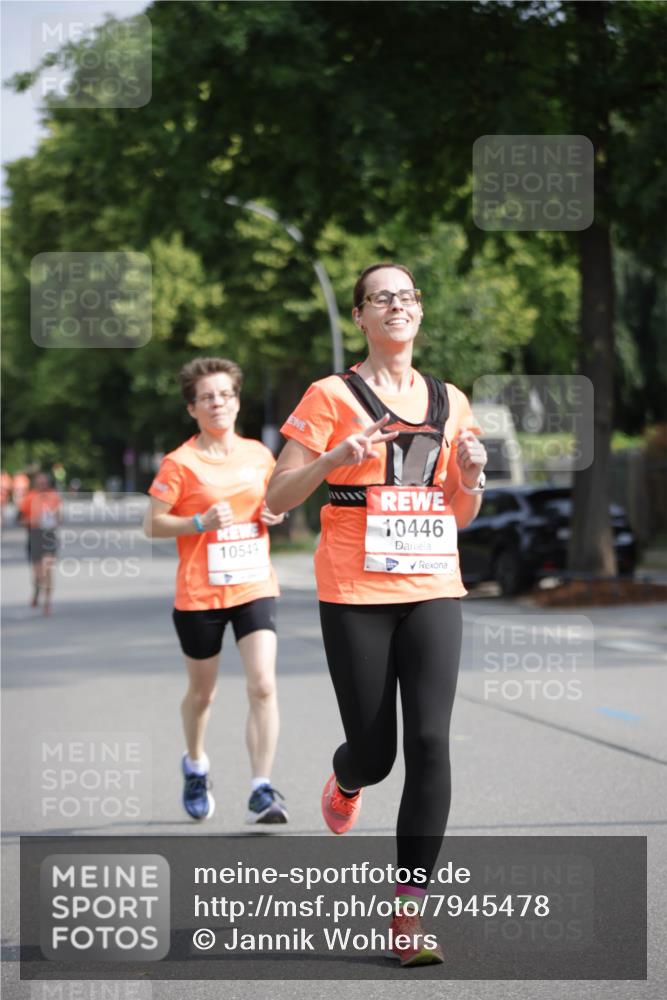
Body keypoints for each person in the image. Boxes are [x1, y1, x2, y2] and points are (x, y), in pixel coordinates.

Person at [266, 263, 487, 967]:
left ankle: (407, 916)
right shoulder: (330, 395)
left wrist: (473, 476)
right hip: (354, 590)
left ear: (418, 313)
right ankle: (348, 776)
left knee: (429, 743)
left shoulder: (450, 400)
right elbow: (278, 494)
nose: (397, 305)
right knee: (377, 752)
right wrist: (335, 454)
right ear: (359, 316)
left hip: (430, 583)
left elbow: (457, 514)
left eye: (407, 295)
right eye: (381, 297)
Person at [144, 357, 289, 825]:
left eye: (225, 394)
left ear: (236, 400)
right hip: (200, 594)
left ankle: (261, 789)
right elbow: (152, 524)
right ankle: (195, 763)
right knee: (202, 695)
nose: (217, 402)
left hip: (253, 584)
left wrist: (276, 515)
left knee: (263, 684)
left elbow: (276, 502)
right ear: (193, 408)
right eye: (207, 396)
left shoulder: (258, 456)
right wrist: (197, 522)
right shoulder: (179, 464)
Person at [19, 471, 62, 616]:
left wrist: (55, 520)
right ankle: (37, 591)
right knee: (38, 572)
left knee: (47, 569)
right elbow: (20, 519)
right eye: (39, 483)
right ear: (35, 484)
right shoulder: (28, 497)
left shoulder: (54, 496)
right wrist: (31, 522)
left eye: (44, 483)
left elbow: (60, 515)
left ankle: (47, 603)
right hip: (34, 535)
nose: (42, 486)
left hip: (49, 535)